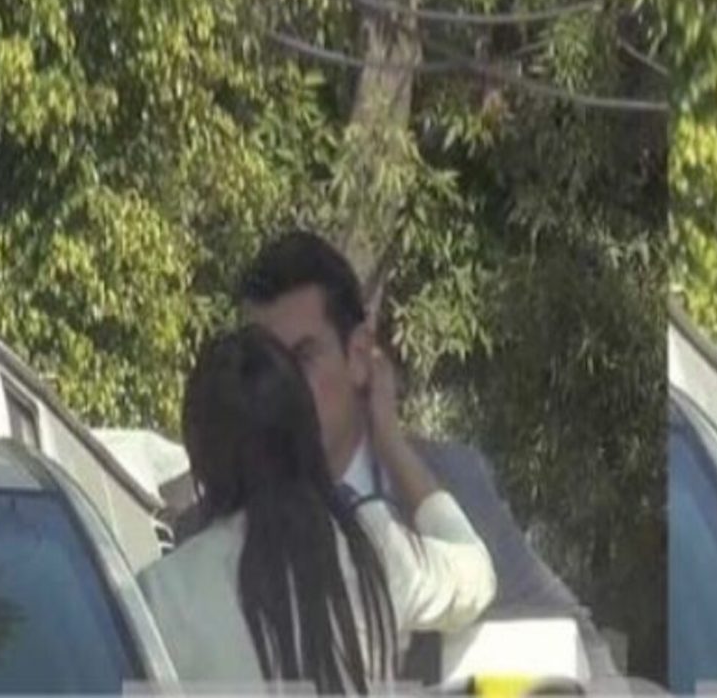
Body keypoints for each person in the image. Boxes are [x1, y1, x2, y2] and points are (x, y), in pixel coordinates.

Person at [222, 230, 621, 683]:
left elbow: (574, 641)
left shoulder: (453, 480)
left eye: (302, 359)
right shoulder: (212, 519)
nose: (279, 387)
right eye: (263, 366)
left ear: (358, 356)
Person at [138, 326, 496, 691]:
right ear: (307, 433)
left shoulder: (159, 594)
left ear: (201, 458)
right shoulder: (375, 549)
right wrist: (391, 441)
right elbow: (477, 574)